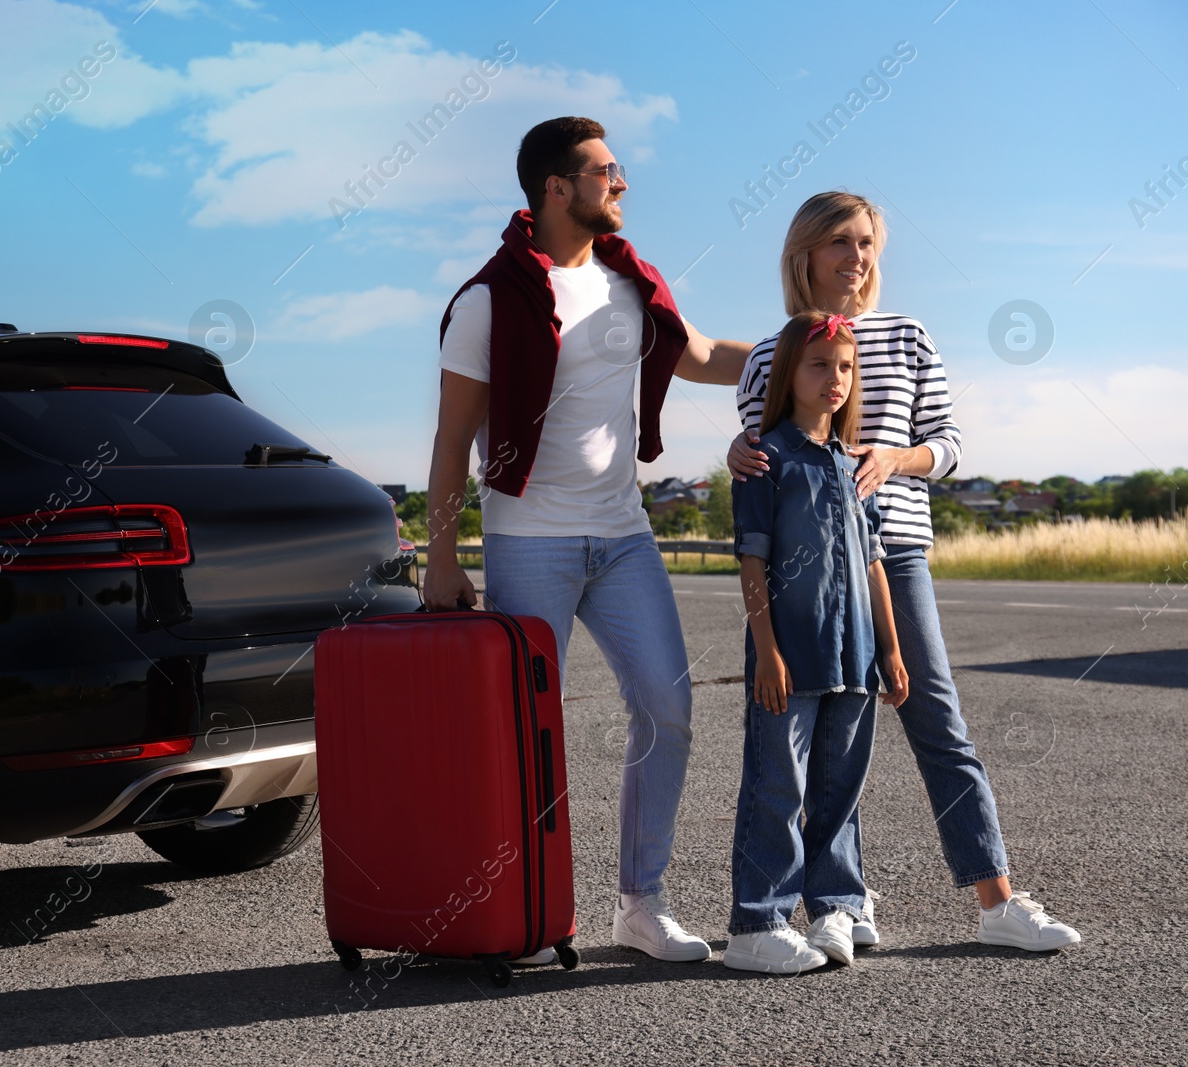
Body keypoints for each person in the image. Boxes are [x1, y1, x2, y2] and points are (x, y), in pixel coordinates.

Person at [424, 116, 752, 963]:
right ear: (556, 188)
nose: (624, 183)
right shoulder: (489, 299)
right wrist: (441, 555)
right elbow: (453, 436)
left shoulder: (628, 280)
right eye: (607, 171)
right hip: (529, 540)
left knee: (668, 708)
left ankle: (639, 904)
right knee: (531, 734)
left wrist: (802, 347)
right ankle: (530, 905)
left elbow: (704, 353)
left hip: (624, 536)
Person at [728, 191, 1082, 952]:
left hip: (893, 555)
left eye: (866, 244)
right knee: (824, 736)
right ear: (805, 255)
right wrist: (733, 450)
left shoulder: (907, 336)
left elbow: (950, 442)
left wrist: (897, 458)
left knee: (935, 717)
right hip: (801, 573)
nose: (856, 258)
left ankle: (997, 901)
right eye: (840, 243)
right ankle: (837, 901)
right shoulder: (770, 351)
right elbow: (759, 451)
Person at [725, 310, 910, 974]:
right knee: (779, 786)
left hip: (856, 655)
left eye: (846, 367)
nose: (836, 378)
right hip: (791, 656)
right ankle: (758, 920)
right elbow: (752, 563)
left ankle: (835, 904)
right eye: (820, 365)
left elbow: (872, 564)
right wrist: (766, 650)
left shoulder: (853, 463)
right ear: (788, 375)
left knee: (839, 789)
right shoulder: (764, 460)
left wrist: (889, 649)